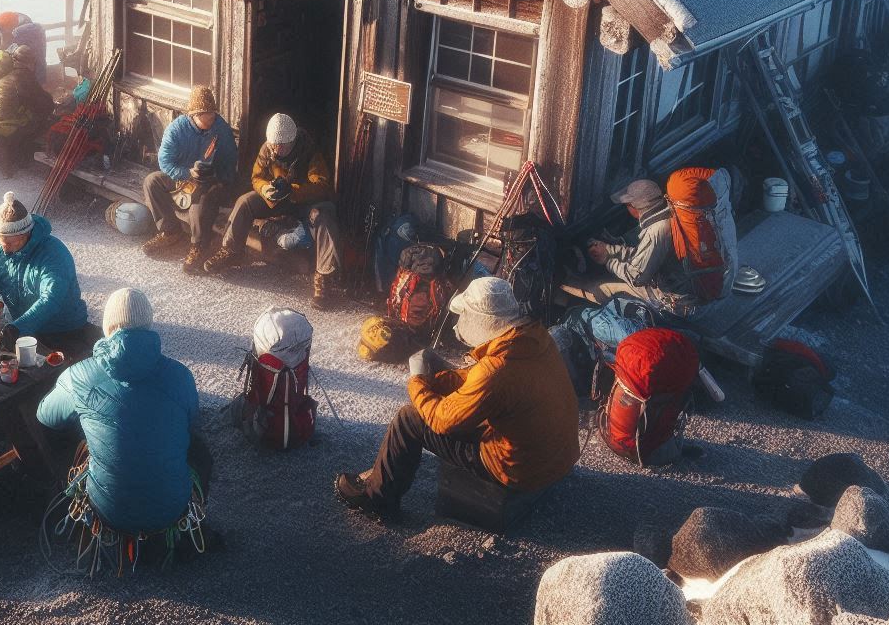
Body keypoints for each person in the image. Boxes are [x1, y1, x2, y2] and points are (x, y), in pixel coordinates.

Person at [334, 276, 580, 517]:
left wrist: (418, 381)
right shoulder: (534, 340)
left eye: (464, 316)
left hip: (519, 469)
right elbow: (482, 378)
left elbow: (444, 420)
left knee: (410, 419)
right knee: (453, 404)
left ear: (480, 320)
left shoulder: (496, 371)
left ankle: (377, 500)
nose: (458, 323)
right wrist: (438, 381)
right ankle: (381, 479)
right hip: (555, 458)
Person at [37, 288, 211, 568]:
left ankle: (65, 493)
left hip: (109, 512)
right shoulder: (181, 376)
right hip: (171, 508)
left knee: (72, 432)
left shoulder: (80, 375)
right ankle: (186, 517)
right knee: (197, 448)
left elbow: (45, 416)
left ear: (108, 327)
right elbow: (191, 424)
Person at [202, 113, 342, 309]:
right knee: (244, 201)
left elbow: (320, 184)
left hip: (305, 200)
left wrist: (293, 189)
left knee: (324, 218)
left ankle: (325, 276)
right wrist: (265, 189)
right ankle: (231, 250)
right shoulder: (268, 149)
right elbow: (257, 176)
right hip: (277, 199)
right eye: (274, 144)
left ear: (291, 141)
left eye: (282, 145)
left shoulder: (309, 151)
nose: (277, 149)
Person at [0, 192, 96, 356]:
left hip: (62, 330)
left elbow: (50, 300)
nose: (4, 248)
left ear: (26, 234)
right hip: (20, 328)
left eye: (11, 243)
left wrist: (16, 329)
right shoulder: (0, 253)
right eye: (0, 240)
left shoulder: (54, 254)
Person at [141, 86, 239, 274]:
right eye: (206, 115)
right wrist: (187, 173)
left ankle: (199, 246)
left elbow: (230, 159)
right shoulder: (177, 129)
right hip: (183, 175)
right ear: (194, 114)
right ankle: (170, 231)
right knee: (152, 181)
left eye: (213, 114)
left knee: (200, 201)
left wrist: (219, 178)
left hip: (210, 181)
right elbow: (165, 161)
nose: (211, 118)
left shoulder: (220, 128)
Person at [581, 178, 693, 313]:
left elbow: (637, 278)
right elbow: (645, 256)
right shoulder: (668, 214)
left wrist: (608, 261)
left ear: (634, 206)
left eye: (627, 204)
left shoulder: (655, 232)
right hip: (682, 280)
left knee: (599, 287)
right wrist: (611, 250)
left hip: (677, 300)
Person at [0, 43, 54, 176]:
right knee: (41, 122)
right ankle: (23, 157)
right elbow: (41, 102)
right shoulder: (23, 76)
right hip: (8, 126)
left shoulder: (10, 72)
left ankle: (10, 160)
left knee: (28, 115)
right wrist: (52, 107)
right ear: (30, 62)